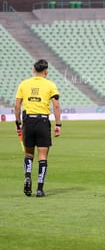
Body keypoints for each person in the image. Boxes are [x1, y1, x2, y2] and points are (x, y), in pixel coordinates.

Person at [14, 59, 62, 197]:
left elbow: (17, 106)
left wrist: (18, 123)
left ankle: (28, 176)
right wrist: (58, 124)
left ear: (33, 70)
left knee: (28, 154)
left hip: (28, 121)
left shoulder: (23, 84)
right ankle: (40, 189)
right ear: (46, 71)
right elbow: (56, 105)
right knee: (43, 156)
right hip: (42, 121)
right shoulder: (50, 85)